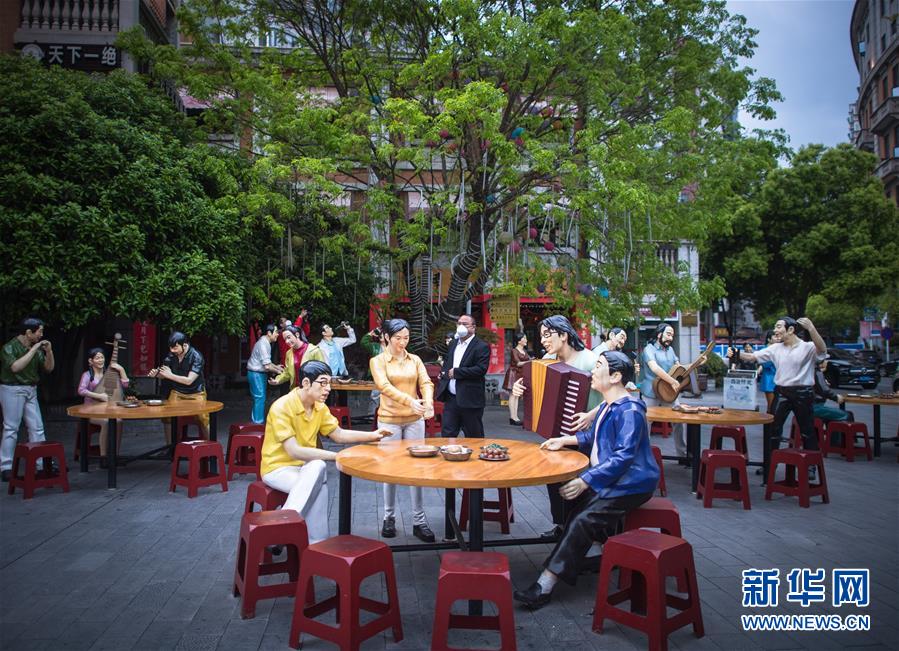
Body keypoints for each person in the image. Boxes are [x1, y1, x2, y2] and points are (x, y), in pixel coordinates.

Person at [513, 351, 658, 609]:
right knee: (569, 497)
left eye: (599, 366)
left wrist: (587, 480)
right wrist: (564, 440)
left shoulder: (630, 411)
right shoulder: (608, 405)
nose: (593, 371)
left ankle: (545, 584)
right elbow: (593, 437)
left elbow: (623, 456)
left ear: (615, 376)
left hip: (631, 483)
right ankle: (593, 551)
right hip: (611, 477)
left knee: (582, 517)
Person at [260, 360, 389, 544]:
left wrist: (373, 435)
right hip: (277, 469)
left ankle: (297, 531)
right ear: (306, 383)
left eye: (329, 383)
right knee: (318, 475)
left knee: (317, 472)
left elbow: (338, 434)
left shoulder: (319, 407)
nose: (328, 388)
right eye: (323, 383)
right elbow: (294, 451)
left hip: (304, 469)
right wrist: (336, 456)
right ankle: (311, 539)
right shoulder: (282, 407)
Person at [511, 315, 602, 540]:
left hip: (587, 435)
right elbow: (536, 386)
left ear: (563, 335)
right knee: (554, 478)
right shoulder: (548, 359)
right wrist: (520, 389)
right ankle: (561, 525)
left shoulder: (591, 360)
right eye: (541, 336)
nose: (542, 340)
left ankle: (581, 532)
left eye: (546, 335)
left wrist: (590, 415)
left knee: (579, 482)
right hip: (556, 432)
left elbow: (614, 399)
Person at [729, 316, 827, 480]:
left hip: (803, 392)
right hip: (781, 392)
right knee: (773, 429)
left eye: (778, 327)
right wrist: (737, 354)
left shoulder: (808, 347)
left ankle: (811, 466)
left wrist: (811, 328)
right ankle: (769, 465)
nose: (775, 331)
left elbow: (822, 350)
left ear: (790, 329)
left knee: (807, 430)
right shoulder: (775, 348)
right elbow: (753, 357)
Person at [369, 319, 436, 542]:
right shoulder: (378, 361)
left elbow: (426, 382)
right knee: (390, 469)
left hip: (414, 419)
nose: (402, 342)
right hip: (389, 420)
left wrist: (428, 402)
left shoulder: (414, 359)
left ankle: (419, 520)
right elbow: (383, 386)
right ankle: (389, 517)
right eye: (398, 338)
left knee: (417, 468)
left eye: (406, 338)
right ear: (387, 337)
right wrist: (410, 401)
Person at [1, 318, 54, 482]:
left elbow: (48, 368)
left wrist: (49, 352)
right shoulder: (9, 347)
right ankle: (6, 466)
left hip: (31, 388)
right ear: (29, 332)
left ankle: (41, 463)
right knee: (11, 427)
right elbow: (15, 367)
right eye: (39, 331)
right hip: (13, 389)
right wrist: (34, 350)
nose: (41, 335)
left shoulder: (35, 349)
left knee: (37, 427)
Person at [641, 324, 691, 464]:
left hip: (668, 392)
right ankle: (644, 455)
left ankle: (683, 455)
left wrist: (696, 364)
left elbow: (679, 367)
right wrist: (672, 381)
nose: (670, 338)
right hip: (651, 391)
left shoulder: (671, 350)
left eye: (672, 335)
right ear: (659, 335)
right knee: (646, 422)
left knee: (679, 420)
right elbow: (654, 368)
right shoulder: (649, 349)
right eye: (668, 334)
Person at [435, 314, 490, 438]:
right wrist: (443, 374)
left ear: (473, 327)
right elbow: (448, 363)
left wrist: (457, 372)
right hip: (451, 398)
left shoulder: (481, 346)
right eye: (459, 324)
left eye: (465, 324)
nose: (461, 326)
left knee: (473, 436)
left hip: (470, 399)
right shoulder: (453, 343)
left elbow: (481, 369)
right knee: (448, 434)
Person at [149, 332, 209, 444]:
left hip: (196, 392)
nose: (172, 350)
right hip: (177, 392)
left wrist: (170, 375)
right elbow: (165, 375)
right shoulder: (171, 356)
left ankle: (209, 444)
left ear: (185, 345)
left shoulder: (196, 356)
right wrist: (157, 374)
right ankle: (170, 446)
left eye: (175, 347)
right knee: (167, 416)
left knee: (203, 417)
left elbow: (189, 380)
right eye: (171, 348)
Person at [77, 347, 131, 468]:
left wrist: (121, 370)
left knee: (119, 421)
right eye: (97, 358)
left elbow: (125, 385)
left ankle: (115, 455)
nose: (100, 360)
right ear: (90, 361)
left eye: (102, 357)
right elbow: (81, 390)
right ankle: (104, 457)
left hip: (108, 410)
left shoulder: (109, 375)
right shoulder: (87, 375)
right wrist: (99, 396)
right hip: (92, 411)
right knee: (106, 422)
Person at [246, 324, 283, 424]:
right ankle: (257, 423)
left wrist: (277, 367)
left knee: (260, 397)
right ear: (269, 333)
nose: (277, 334)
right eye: (276, 332)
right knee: (259, 397)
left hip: (259, 373)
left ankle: (257, 422)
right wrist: (280, 372)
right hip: (256, 374)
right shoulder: (263, 344)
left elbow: (268, 363)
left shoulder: (265, 342)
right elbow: (267, 366)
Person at [503, 332, 530, 426]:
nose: (526, 340)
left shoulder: (524, 351)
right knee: (513, 395)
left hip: (520, 374)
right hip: (513, 374)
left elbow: (527, 360)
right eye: (524, 338)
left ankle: (515, 417)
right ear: (519, 340)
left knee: (517, 395)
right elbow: (518, 363)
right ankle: (512, 417)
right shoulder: (514, 350)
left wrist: (531, 360)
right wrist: (530, 361)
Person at [813, 359, 852, 424]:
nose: (827, 362)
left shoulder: (808, 370)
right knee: (846, 415)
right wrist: (836, 397)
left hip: (804, 408)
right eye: (826, 360)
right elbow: (825, 390)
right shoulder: (817, 372)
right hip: (815, 407)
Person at [758, 330, 777, 412]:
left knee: (776, 405)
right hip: (769, 379)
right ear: (769, 339)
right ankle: (769, 419)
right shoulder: (764, 350)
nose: (777, 338)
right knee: (771, 405)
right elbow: (765, 364)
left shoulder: (778, 349)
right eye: (775, 336)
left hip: (777, 378)